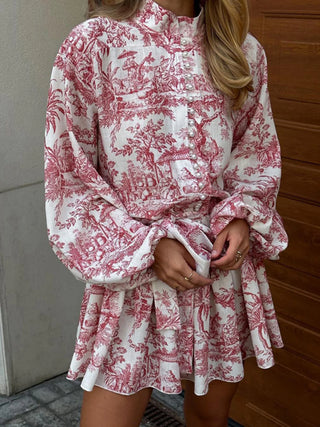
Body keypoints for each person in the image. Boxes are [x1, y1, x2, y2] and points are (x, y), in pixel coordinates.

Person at [44, 0, 288, 425]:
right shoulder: (94, 44)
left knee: (211, 418)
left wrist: (241, 216)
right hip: (134, 271)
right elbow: (69, 172)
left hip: (217, 266)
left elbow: (255, 152)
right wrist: (148, 247)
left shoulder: (241, 49)